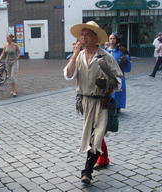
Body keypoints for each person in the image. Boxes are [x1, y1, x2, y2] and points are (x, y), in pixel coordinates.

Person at [64, 21, 123, 184]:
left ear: (96, 38)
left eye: (87, 34)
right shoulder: (79, 56)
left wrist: (110, 85)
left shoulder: (106, 56)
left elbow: (118, 79)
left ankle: (87, 172)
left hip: (102, 102)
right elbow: (69, 75)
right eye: (81, 34)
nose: (82, 37)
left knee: (95, 139)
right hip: (85, 102)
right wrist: (75, 53)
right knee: (91, 136)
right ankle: (101, 160)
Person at [93, 34, 132, 170]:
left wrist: (125, 60)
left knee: (98, 129)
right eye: (110, 38)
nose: (112, 40)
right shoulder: (87, 54)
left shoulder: (111, 53)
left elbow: (124, 71)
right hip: (91, 97)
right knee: (95, 130)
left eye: (113, 38)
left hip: (105, 92)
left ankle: (100, 159)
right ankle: (102, 158)